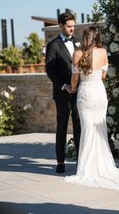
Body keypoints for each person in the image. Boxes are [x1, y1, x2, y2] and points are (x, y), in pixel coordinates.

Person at [64, 26, 119, 191]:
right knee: (100, 129)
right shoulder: (102, 52)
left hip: (85, 93)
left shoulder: (77, 53)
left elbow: (74, 79)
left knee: (87, 130)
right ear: (97, 37)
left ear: (85, 37)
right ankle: (102, 166)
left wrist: (73, 88)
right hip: (99, 93)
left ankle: (87, 168)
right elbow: (103, 75)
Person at [45, 12, 81, 173]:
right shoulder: (53, 45)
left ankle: (81, 160)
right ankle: (60, 161)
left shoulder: (79, 43)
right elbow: (50, 71)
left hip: (80, 92)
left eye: (73, 26)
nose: (72, 29)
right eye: (69, 26)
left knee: (79, 126)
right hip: (62, 94)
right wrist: (64, 86)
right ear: (60, 26)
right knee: (62, 127)